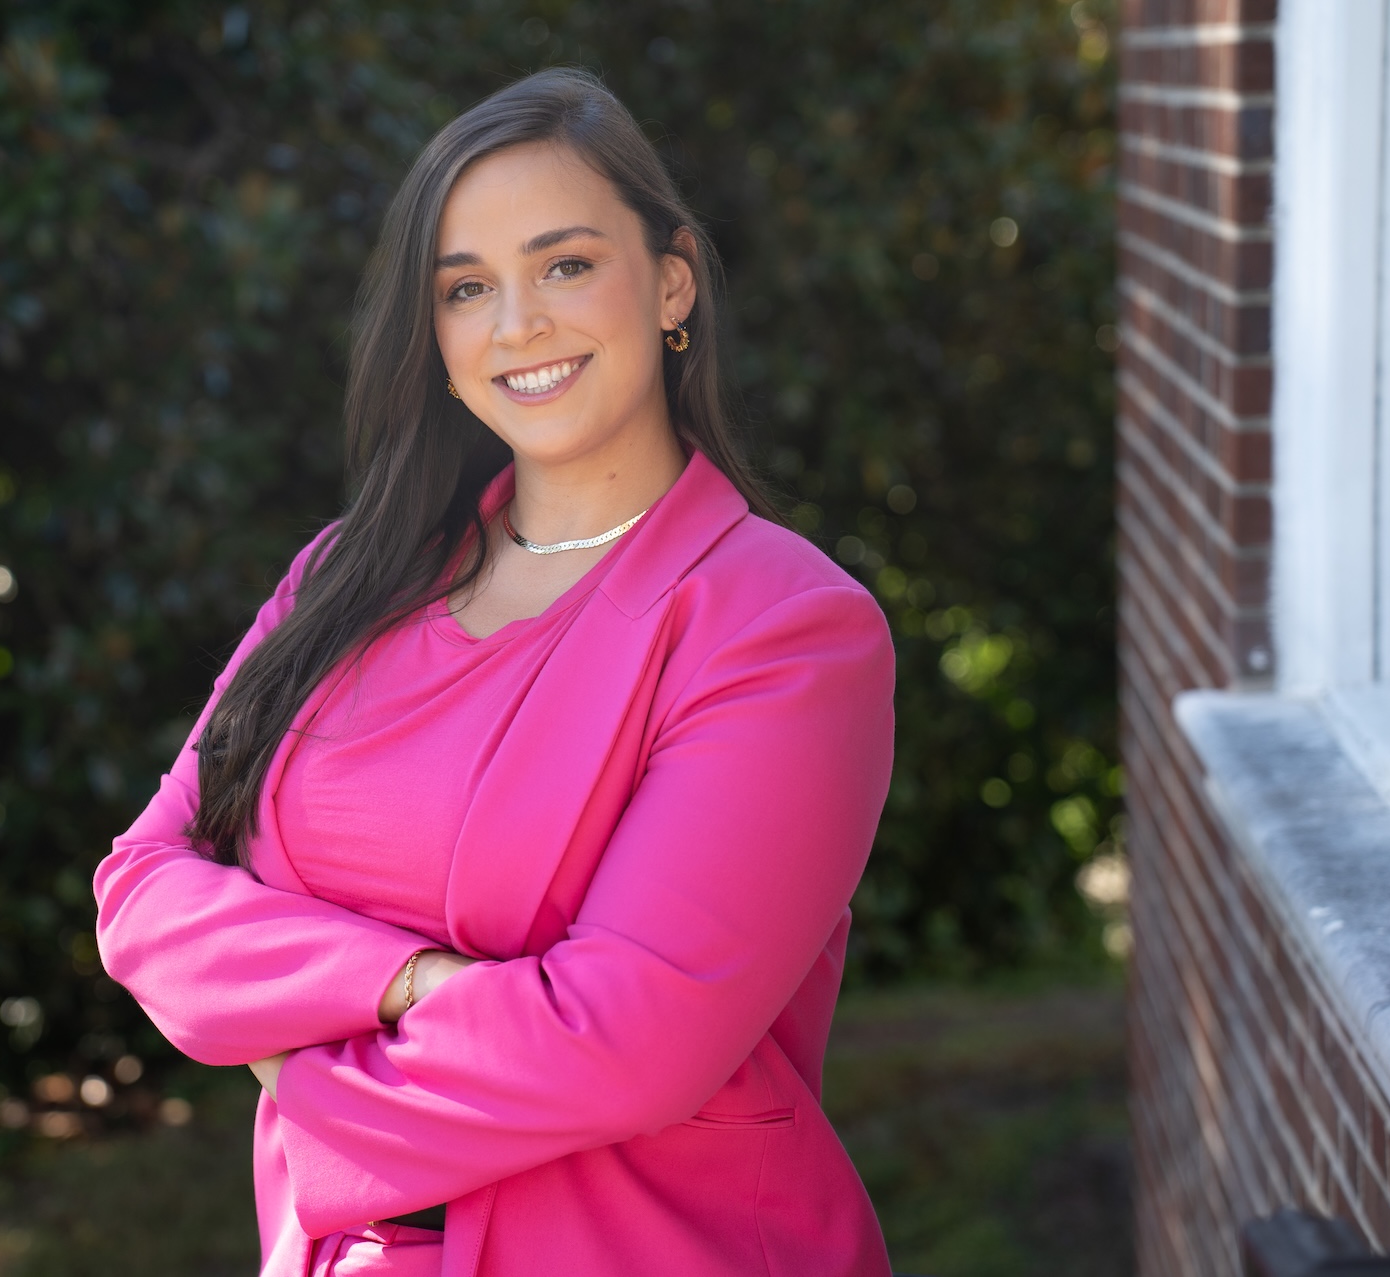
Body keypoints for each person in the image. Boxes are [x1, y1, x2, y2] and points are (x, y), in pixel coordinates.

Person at [94, 67, 897, 1277]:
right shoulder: (346, 579)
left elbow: (624, 1044)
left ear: (671, 281)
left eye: (564, 265)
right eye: (466, 289)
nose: (515, 323)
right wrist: (407, 983)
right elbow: (148, 885)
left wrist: (297, 1058)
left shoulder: (778, 625)